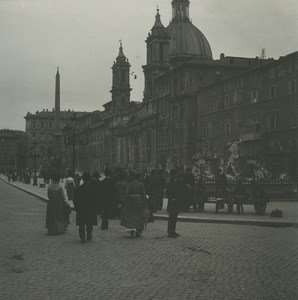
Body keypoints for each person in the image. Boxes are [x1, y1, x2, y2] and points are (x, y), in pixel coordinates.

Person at [120, 172, 149, 238]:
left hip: (131, 201)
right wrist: (146, 198)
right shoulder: (141, 185)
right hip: (139, 202)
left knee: (132, 215)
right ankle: (138, 230)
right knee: (139, 216)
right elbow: (143, 194)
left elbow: (127, 193)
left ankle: (132, 228)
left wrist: (127, 199)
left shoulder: (129, 184)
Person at [73, 172, 99, 243]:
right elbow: (96, 199)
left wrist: (77, 207)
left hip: (81, 209)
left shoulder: (79, 188)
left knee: (81, 224)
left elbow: (75, 199)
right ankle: (89, 234)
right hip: (90, 208)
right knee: (89, 222)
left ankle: (82, 237)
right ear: (90, 179)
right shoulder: (93, 189)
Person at [165, 169, 179, 238]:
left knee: (174, 216)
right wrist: (172, 198)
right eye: (175, 174)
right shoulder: (170, 182)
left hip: (175, 201)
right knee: (172, 217)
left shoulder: (174, 182)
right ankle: (170, 232)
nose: (176, 176)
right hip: (172, 202)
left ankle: (173, 230)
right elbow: (167, 193)